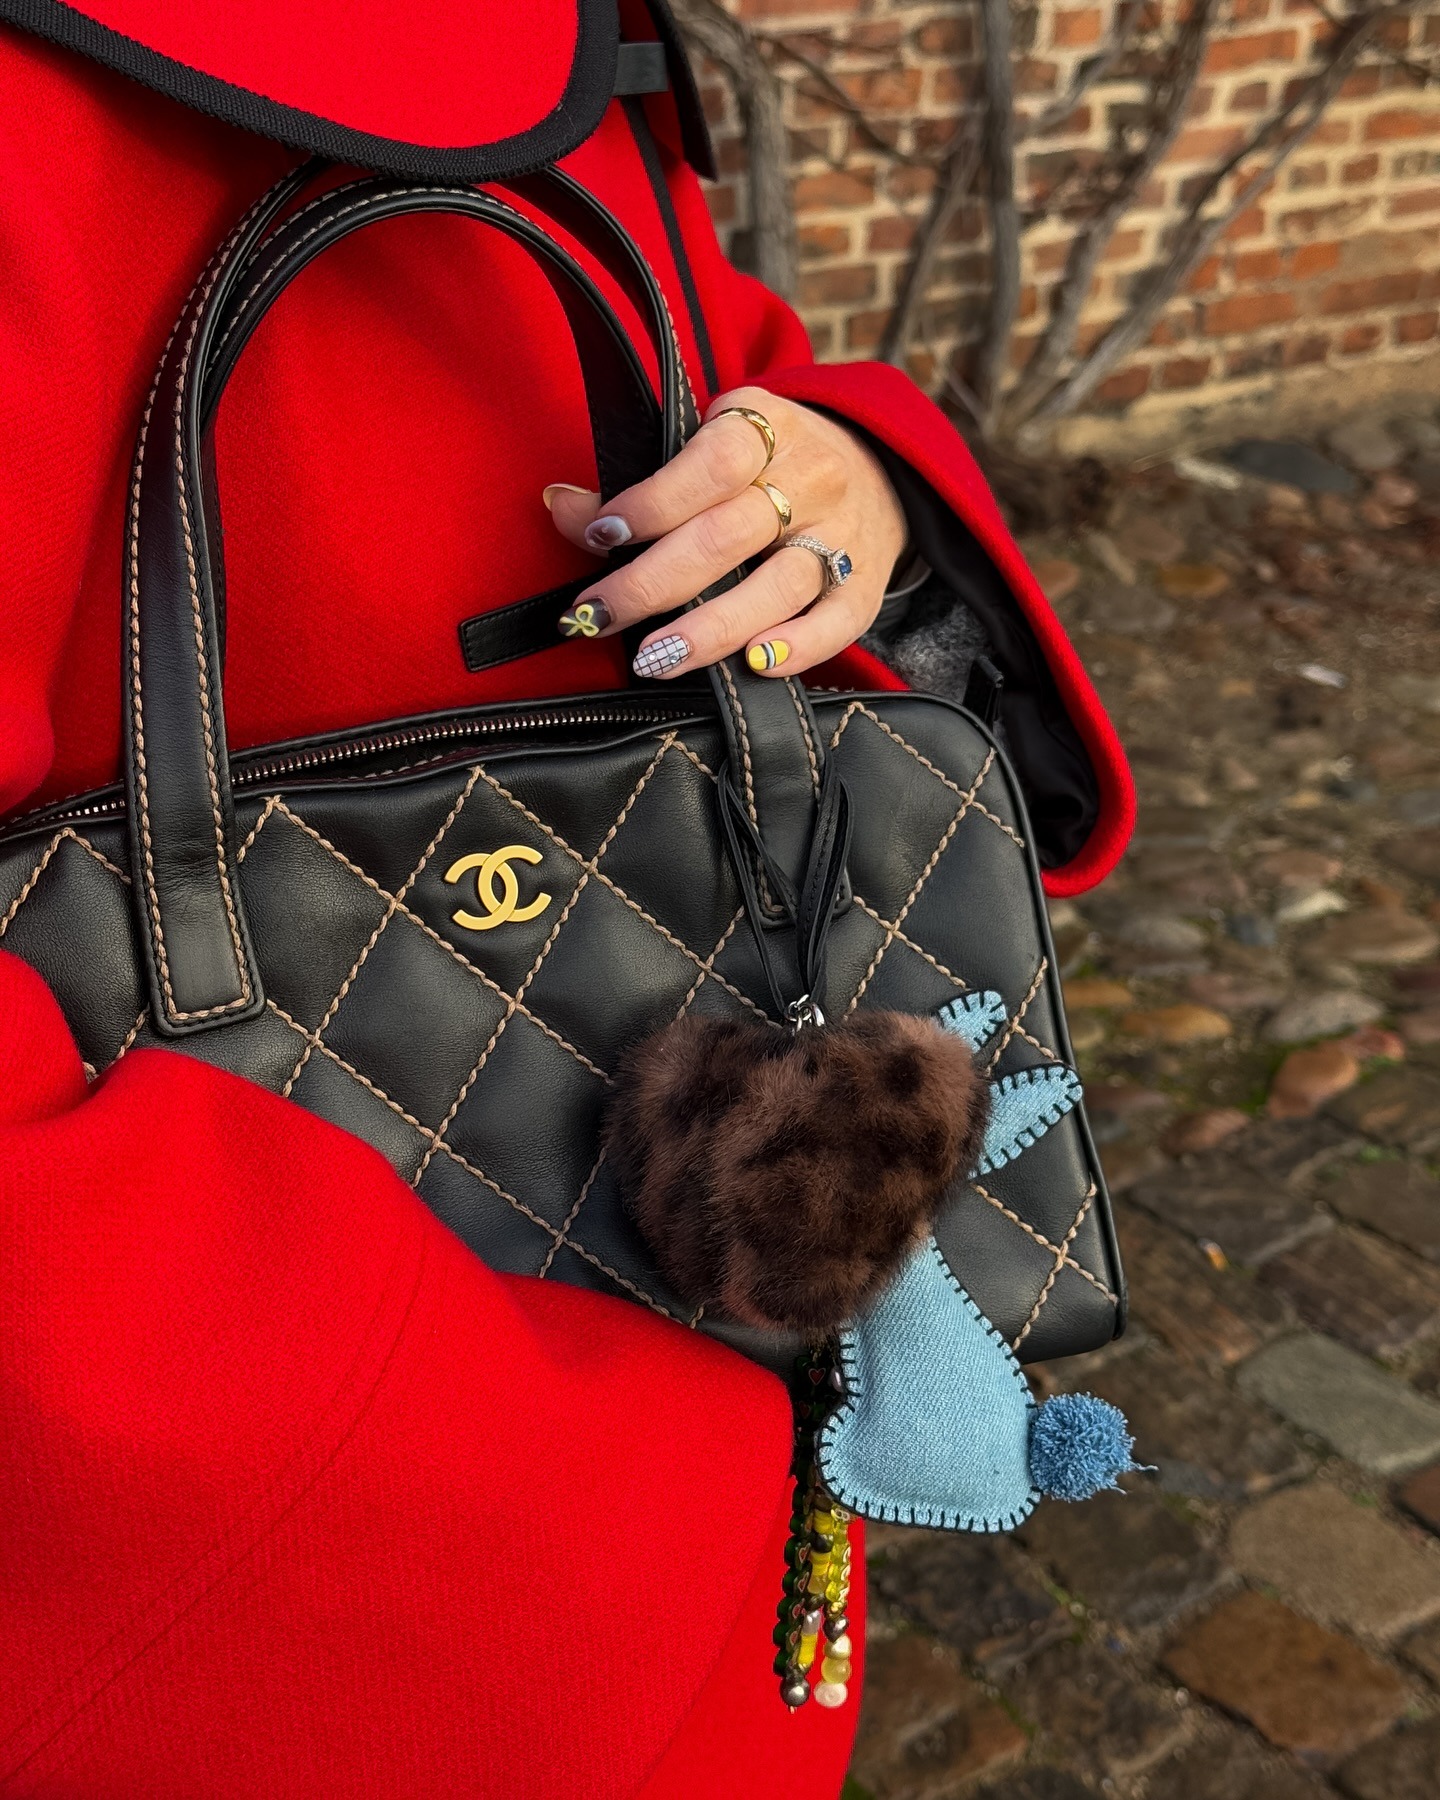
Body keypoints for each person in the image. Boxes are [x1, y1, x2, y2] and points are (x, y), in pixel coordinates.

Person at [0, 3, 1132, 1793]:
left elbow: (692, 351)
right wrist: (628, 1479)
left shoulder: (543, 34)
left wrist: (844, 477)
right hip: (432, 1567)